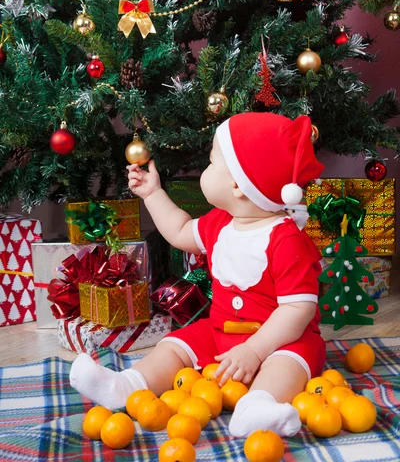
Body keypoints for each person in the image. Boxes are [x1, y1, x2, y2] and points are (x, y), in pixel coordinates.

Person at [70, 112, 326, 438]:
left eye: (211, 163)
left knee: (289, 363)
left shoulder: (287, 240)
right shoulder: (221, 223)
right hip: (222, 333)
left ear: (238, 185)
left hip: (279, 340)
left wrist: (256, 350)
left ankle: (259, 406)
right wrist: (152, 194)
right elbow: (178, 230)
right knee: (174, 345)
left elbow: (297, 309)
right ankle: (126, 385)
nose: (205, 170)